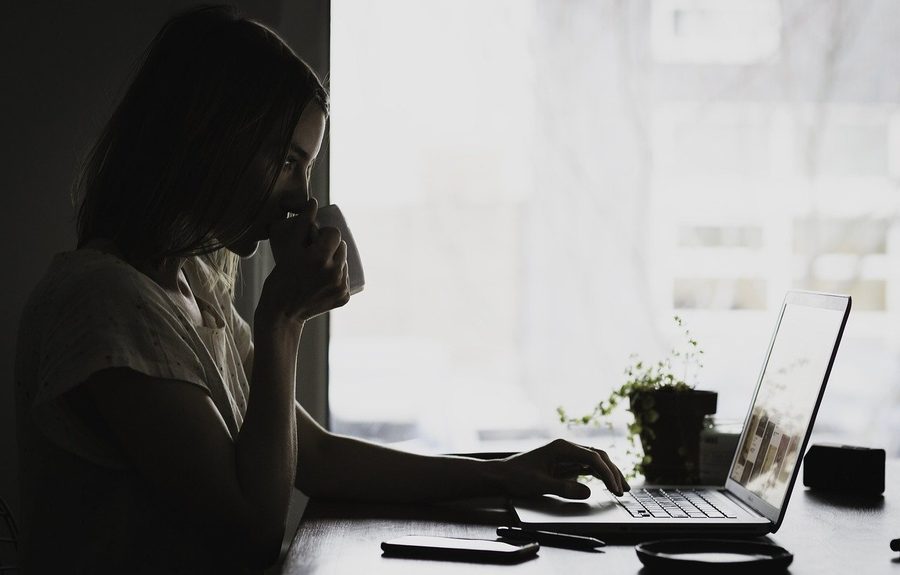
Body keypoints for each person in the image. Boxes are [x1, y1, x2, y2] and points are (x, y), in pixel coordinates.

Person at [13, 5, 628, 574]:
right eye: (286, 159)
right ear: (206, 141)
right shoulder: (105, 303)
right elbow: (250, 529)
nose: (303, 195)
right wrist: (282, 320)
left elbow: (317, 458)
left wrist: (506, 472)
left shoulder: (192, 287)